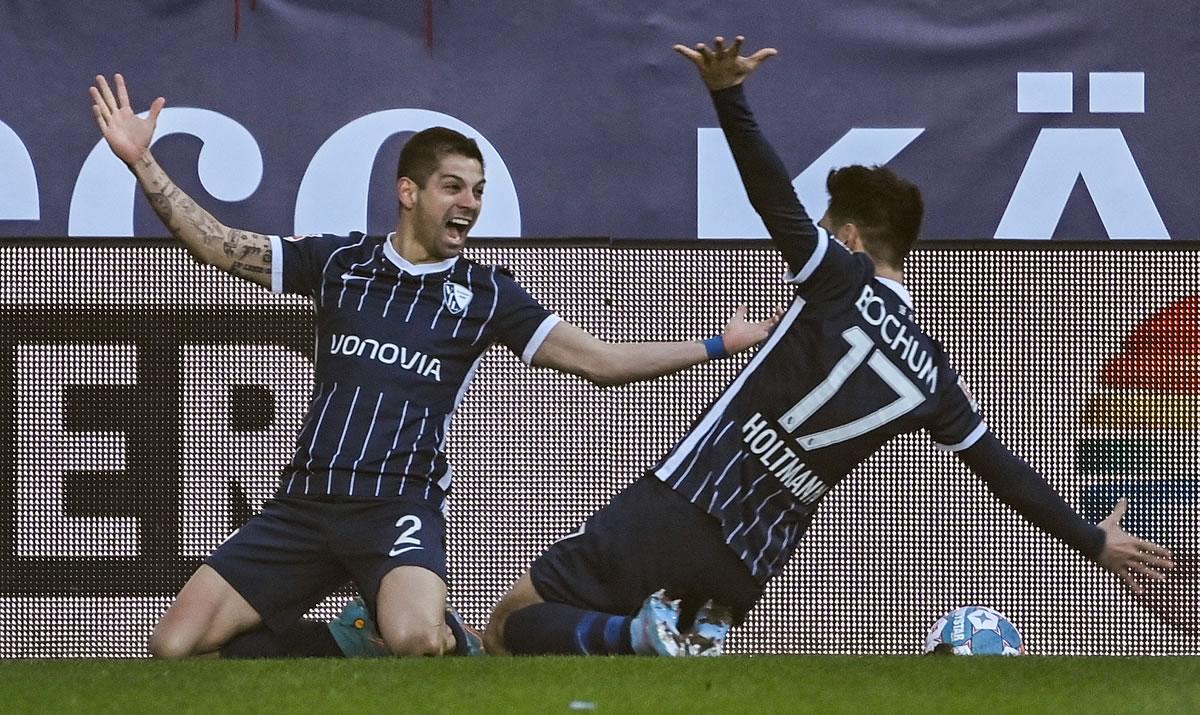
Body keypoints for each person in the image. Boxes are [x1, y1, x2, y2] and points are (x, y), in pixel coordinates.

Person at [482, 36, 1177, 657]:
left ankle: (631, 633)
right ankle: (646, 640)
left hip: (685, 502)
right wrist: (1094, 540)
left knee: (512, 622)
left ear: (848, 239)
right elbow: (1005, 474)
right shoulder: (931, 371)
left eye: (824, 224)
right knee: (651, 678)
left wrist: (729, 99)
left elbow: (770, 198)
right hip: (751, 563)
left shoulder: (838, 280)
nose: (811, 230)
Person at [88, 73, 776, 658]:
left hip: (397, 506)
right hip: (304, 504)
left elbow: (601, 361)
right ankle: (354, 634)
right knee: (172, 645)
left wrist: (717, 343)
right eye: (454, 186)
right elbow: (218, 245)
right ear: (409, 191)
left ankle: (401, 632)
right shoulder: (339, 261)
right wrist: (140, 161)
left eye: (477, 189)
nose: (470, 203)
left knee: (418, 639)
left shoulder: (486, 293)